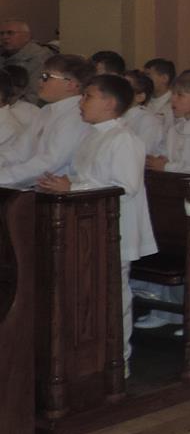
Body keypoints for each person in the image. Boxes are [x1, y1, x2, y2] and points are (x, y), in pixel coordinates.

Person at [37, 74, 156, 367]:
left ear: (109, 103)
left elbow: (125, 186)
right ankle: (92, 357)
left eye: (88, 96)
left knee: (114, 293)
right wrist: (62, 183)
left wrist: (73, 187)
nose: (81, 102)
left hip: (116, 228)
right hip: (90, 227)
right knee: (92, 294)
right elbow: (89, 176)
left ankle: (118, 360)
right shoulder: (92, 135)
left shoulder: (124, 139)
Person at [136, 71, 190, 329]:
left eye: (179, 95)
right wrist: (156, 161)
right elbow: (163, 155)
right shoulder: (176, 127)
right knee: (164, 248)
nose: (173, 100)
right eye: (174, 94)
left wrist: (167, 167)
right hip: (169, 201)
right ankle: (164, 311)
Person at [0, 54, 92, 187]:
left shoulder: (77, 115)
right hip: (33, 186)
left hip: (58, 193)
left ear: (71, 85)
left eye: (46, 77)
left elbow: (49, 163)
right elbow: (18, 152)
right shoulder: (46, 111)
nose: (39, 82)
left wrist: (3, 177)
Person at [0, 19, 50, 103]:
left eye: (10, 33)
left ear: (27, 36)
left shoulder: (40, 58)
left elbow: (35, 95)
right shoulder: (3, 55)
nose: (4, 37)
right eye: (1, 34)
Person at [121, 70, 166, 157]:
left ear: (140, 97)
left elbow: (142, 154)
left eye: (124, 88)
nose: (117, 91)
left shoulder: (148, 121)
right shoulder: (115, 116)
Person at [144, 58, 177, 138]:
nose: (144, 80)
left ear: (164, 78)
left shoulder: (175, 104)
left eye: (148, 75)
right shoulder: (142, 102)